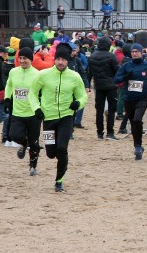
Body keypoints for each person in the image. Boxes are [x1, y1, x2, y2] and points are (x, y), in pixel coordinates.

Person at [28, 43, 88, 192]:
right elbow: (32, 93)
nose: (61, 62)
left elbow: (83, 96)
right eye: (58, 59)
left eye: (64, 59)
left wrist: (78, 103)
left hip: (66, 118)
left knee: (62, 148)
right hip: (48, 118)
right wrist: (36, 108)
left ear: (68, 61)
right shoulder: (43, 75)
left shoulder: (75, 76)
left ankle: (59, 181)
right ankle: (54, 158)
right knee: (50, 153)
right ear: (54, 59)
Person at [114, 43, 147, 160]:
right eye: (133, 51)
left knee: (137, 119)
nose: (134, 53)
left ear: (141, 52)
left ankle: (138, 146)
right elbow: (116, 79)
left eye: (136, 51)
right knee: (134, 124)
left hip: (142, 98)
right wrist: (125, 77)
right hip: (129, 99)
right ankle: (138, 147)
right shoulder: (126, 66)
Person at [5, 47, 42, 175]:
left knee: (35, 142)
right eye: (20, 58)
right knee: (14, 136)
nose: (22, 61)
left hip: (33, 113)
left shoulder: (37, 74)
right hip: (18, 112)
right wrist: (7, 98)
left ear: (30, 59)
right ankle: (24, 144)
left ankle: (33, 166)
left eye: (24, 58)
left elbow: (42, 92)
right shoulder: (13, 72)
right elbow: (9, 85)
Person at [88, 36, 120, 140]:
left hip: (98, 86)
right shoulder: (111, 56)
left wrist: (88, 84)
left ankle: (99, 133)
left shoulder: (92, 56)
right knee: (111, 110)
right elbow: (117, 71)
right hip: (111, 86)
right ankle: (110, 133)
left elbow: (89, 72)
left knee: (99, 110)